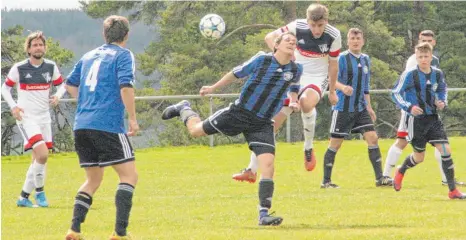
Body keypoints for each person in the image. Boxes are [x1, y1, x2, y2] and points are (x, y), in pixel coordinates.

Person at [161, 32, 302, 225]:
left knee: (268, 165)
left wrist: (294, 102)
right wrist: (213, 88)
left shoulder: (295, 69)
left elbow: (294, 87)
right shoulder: (262, 60)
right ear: (276, 45)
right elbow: (236, 73)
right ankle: (184, 109)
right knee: (195, 131)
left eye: (294, 42)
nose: (292, 43)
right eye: (288, 40)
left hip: (262, 122)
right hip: (239, 113)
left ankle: (263, 214)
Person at [232, 3, 341, 183]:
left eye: (320, 25)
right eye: (313, 25)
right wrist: (284, 55)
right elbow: (270, 37)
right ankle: (251, 170)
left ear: (326, 22)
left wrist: (332, 90)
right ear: (307, 21)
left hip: (317, 76)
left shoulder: (333, 35)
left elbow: (334, 64)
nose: (316, 30)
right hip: (293, 73)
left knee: (306, 103)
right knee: (270, 125)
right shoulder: (297, 26)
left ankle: (308, 147)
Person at [64, 15, 139, 240]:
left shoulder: (88, 56)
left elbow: (70, 84)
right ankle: (120, 233)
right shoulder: (124, 55)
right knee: (129, 176)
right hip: (107, 125)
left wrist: (88, 102)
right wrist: (133, 118)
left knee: (93, 180)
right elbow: (126, 86)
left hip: (82, 125)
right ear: (126, 35)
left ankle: (74, 230)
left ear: (104, 35)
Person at [383, 30, 463, 186]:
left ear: (432, 52)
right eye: (420, 56)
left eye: (426, 56)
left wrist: (441, 101)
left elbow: (441, 89)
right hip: (414, 118)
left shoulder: (437, 71)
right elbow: (396, 92)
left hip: (433, 118)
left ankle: (451, 187)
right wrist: (408, 107)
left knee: (445, 149)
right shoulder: (410, 71)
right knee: (416, 154)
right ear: (416, 53)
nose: (423, 59)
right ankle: (398, 171)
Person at [320, 28, 393, 188]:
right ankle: (326, 181)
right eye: (352, 38)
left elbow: (365, 86)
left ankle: (380, 178)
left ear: (363, 41)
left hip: (360, 108)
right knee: (335, 144)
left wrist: (369, 106)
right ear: (348, 41)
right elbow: (329, 79)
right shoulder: (341, 58)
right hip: (343, 108)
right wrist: (342, 87)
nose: (355, 40)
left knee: (373, 138)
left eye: (358, 38)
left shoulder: (366, 59)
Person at [1, 31, 66, 208]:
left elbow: (62, 85)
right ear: (28, 49)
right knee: (43, 155)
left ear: (44, 47)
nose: (38, 47)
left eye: (41, 44)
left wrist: (58, 96)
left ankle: (23, 198)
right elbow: (5, 89)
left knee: (37, 160)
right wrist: (13, 106)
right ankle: (40, 193)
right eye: (35, 45)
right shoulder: (19, 68)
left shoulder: (51, 67)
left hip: (44, 118)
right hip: (26, 118)